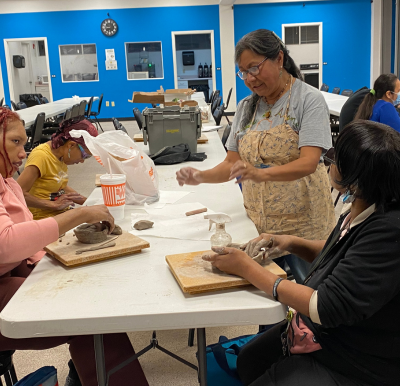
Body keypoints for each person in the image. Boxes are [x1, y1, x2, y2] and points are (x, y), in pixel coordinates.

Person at [203, 120, 400, 386]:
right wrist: (290, 243)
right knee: (249, 360)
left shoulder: (389, 231)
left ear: (355, 177)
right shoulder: (366, 204)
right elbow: (344, 253)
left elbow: (324, 306)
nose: (329, 163)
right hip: (327, 334)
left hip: (356, 359)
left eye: (334, 158)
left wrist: (248, 269)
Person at [0, 107, 149, 386]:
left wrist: (60, 264)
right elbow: (6, 245)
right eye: (15, 142)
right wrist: (77, 215)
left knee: (90, 297)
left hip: (13, 273)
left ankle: (85, 376)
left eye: (24, 142)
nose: (23, 152)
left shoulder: (8, 183)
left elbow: (22, 241)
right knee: (88, 318)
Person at [176, 29, 335, 282]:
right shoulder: (246, 108)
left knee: (307, 296)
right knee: (266, 294)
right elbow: (232, 162)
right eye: (243, 72)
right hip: (259, 224)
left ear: (279, 59)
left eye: (254, 68)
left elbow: (309, 162)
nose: (249, 78)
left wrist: (261, 173)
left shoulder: (308, 100)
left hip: (304, 225)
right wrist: (200, 176)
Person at [17, 116, 98, 220]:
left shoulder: (61, 155)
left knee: (100, 217)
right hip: (42, 218)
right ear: (71, 145)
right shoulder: (41, 156)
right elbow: (18, 193)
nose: (82, 161)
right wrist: (53, 205)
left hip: (58, 213)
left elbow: (60, 185)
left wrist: (88, 202)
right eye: (85, 155)